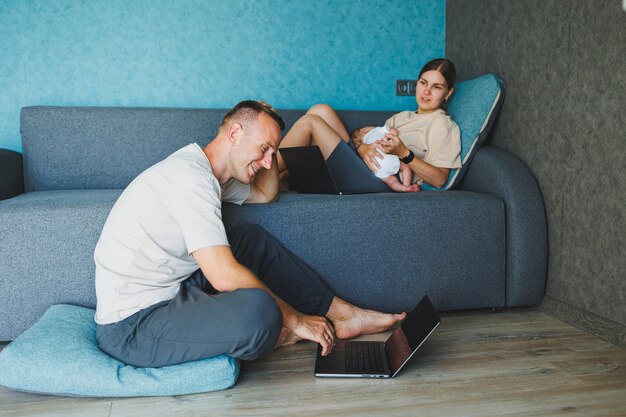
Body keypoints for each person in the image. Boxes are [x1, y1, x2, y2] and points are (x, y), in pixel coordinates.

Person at [94, 100, 406, 368]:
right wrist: (295, 319)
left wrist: (268, 142)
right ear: (234, 134)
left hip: (175, 290)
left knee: (251, 241)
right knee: (261, 313)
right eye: (263, 150)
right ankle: (286, 332)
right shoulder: (191, 180)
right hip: (133, 326)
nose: (270, 161)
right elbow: (223, 277)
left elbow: (266, 195)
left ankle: (342, 314)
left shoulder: (211, 173)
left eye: (272, 152)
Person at [277, 58, 462, 192]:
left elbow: (439, 179)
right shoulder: (401, 117)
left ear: (448, 93)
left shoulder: (442, 125)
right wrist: (363, 148)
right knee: (320, 110)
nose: (426, 92)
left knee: (310, 123)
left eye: (437, 87)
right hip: (363, 164)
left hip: (380, 179)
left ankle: (265, 175)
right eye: (423, 83)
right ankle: (285, 177)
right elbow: (371, 139)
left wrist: (404, 154)